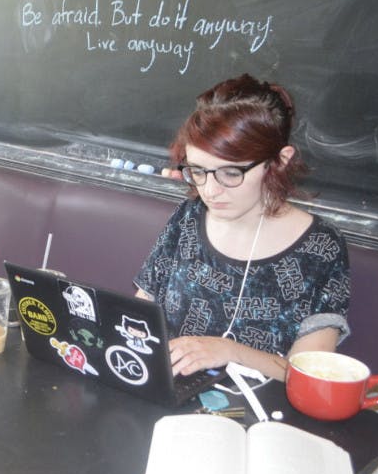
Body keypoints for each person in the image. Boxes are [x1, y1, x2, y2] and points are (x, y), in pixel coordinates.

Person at [134, 74, 350, 382]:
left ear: (279, 161)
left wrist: (230, 351)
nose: (210, 191)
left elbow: (307, 375)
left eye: (231, 173)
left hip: (260, 416)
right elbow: (141, 311)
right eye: (197, 171)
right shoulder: (188, 217)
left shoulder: (320, 248)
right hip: (172, 395)